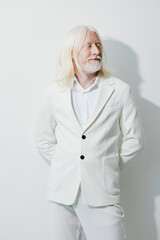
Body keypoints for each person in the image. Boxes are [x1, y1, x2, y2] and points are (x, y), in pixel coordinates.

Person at [35, 25, 144, 240]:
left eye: (98, 45)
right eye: (89, 46)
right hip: (62, 194)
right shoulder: (54, 93)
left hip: (103, 194)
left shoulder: (120, 91)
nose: (96, 51)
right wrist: (67, 163)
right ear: (72, 53)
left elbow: (135, 140)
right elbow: (43, 140)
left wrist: (107, 164)